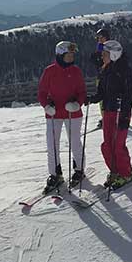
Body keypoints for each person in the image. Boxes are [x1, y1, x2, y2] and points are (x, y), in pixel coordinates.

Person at [36, 40, 88, 193]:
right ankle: (55, 174)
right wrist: (46, 105)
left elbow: (82, 92)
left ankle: (79, 169)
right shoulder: (49, 71)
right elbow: (42, 92)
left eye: (72, 55)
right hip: (53, 114)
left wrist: (78, 103)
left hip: (73, 112)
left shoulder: (76, 71)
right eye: (68, 55)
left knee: (75, 142)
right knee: (52, 144)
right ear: (60, 55)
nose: (71, 57)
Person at [94, 35, 132, 188]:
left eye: (104, 54)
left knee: (118, 145)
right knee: (107, 145)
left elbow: (129, 93)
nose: (102, 57)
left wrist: (125, 115)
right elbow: (101, 92)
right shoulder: (105, 70)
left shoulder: (123, 70)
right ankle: (115, 171)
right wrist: (91, 98)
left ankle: (126, 173)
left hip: (120, 111)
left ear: (113, 55)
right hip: (108, 111)